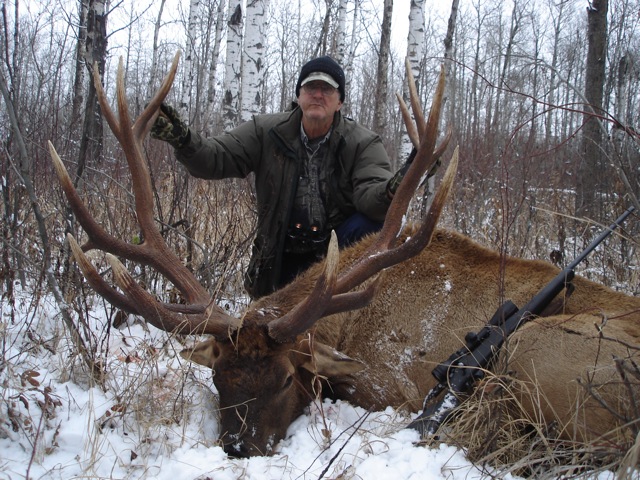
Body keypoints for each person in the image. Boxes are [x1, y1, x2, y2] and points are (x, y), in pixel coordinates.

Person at [151, 56, 408, 299]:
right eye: (310, 87)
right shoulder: (266, 132)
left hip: (338, 253)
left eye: (327, 89)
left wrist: (393, 190)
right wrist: (185, 141)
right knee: (276, 332)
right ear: (298, 96)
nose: (318, 95)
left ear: (339, 102)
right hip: (282, 255)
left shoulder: (362, 142)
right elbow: (215, 158)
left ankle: (366, 300)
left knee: (373, 225)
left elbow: (371, 197)